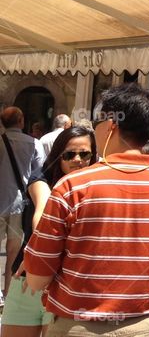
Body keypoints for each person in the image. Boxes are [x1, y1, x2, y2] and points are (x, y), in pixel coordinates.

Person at [23, 84, 149, 337]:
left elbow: (36, 277)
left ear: (112, 124)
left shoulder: (72, 186)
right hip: (145, 325)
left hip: (77, 326)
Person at [1, 125, 96, 337]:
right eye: (69, 154)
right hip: (29, 278)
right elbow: (44, 214)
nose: (77, 159)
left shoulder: (97, 188)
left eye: (85, 154)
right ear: (58, 155)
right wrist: (39, 251)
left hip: (68, 285)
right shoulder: (41, 181)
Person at [0, 106, 43, 302]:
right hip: (19, 204)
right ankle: (7, 293)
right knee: (13, 252)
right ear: (21, 121)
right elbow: (38, 174)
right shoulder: (33, 143)